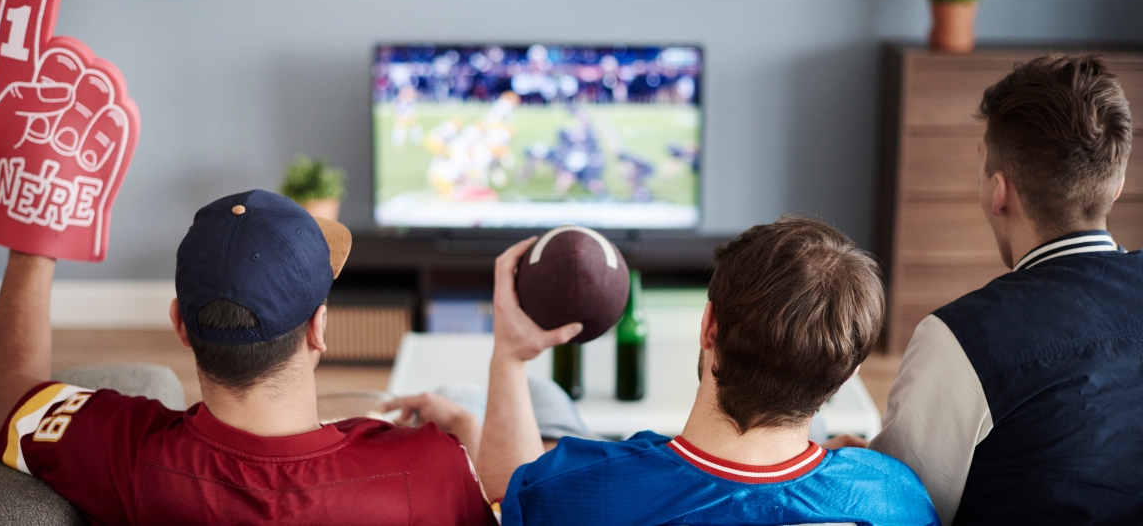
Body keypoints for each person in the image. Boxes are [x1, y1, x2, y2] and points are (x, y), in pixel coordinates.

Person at [0, 189, 495, 524]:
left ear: (180, 324)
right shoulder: (429, 463)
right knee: (462, 397)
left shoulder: (124, 453)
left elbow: (9, 392)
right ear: (319, 329)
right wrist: (469, 442)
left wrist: (33, 245)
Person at [469, 217, 941, 525]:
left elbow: (504, 494)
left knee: (539, 394)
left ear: (709, 325)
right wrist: (845, 466)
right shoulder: (896, 498)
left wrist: (510, 356)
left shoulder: (568, 491)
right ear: (851, 373)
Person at [869, 54, 1141, 525]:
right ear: (1116, 186)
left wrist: (866, 473)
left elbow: (897, 511)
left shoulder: (959, 340)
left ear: (999, 191)